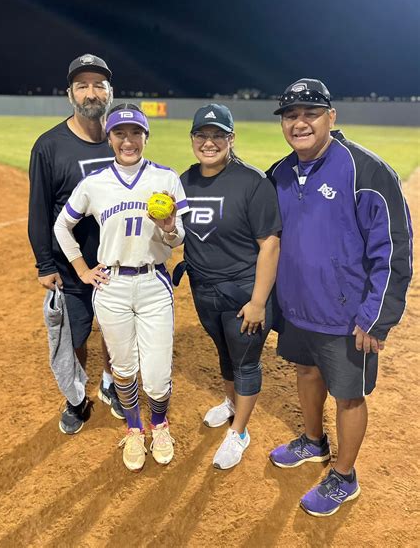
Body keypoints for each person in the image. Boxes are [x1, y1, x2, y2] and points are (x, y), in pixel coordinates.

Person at [267, 78, 413, 517]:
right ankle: (314, 441)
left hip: (347, 317)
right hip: (297, 308)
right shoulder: (279, 172)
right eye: (290, 115)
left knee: (348, 396)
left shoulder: (366, 170)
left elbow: (394, 248)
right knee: (305, 372)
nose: (299, 123)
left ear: (331, 116)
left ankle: (344, 476)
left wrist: (377, 316)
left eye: (310, 113)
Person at [53, 103, 190, 472]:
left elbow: (178, 238)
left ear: (145, 137)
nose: (128, 141)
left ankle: (159, 424)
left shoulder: (165, 178)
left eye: (135, 133)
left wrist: (168, 228)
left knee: (157, 377)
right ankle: (134, 428)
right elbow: (62, 226)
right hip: (111, 285)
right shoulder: (94, 183)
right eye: (119, 133)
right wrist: (81, 269)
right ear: (110, 138)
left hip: (153, 282)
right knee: (124, 368)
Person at [177, 104, 281, 469]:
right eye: (202, 135)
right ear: (192, 138)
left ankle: (239, 432)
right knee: (223, 352)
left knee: (246, 362)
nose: (209, 142)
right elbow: (180, 234)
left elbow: (270, 244)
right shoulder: (184, 181)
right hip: (203, 289)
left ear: (231, 139)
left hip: (243, 292)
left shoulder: (253, 182)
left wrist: (258, 301)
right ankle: (231, 403)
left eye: (218, 135)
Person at [28, 53, 124, 435]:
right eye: (82, 85)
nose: (91, 92)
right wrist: (45, 264)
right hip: (72, 267)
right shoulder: (49, 146)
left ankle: (109, 382)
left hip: (116, 262)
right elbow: (39, 211)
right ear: (70, 94)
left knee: (115, 332)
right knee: (75, 337)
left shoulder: (121, 142)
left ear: (110, 92)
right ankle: (76, 396)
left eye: (99, 84)